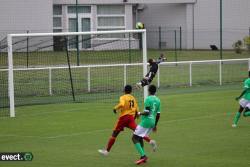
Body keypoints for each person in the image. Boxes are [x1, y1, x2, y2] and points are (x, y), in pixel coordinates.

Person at [98, 85, 156, 156]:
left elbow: (122, 104)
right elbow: (136, 109)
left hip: (123, 118)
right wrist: (136, 116)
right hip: (131, 118)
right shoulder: (133, 98)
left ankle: (106, 151)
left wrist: (115, 108)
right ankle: (150, 141)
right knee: (138, 132)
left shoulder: (123, 97)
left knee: (114, 134)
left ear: (124, 90)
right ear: (131, 91)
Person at [132, 85, 161, 165]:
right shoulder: (158, 100)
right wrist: (155, 125)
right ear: (155, 91)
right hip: (152, 122)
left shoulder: (148, 99)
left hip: (146, 121)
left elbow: (147, 112)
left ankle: (143, 156)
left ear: (148, 91)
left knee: (134, 138)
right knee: (140, 137)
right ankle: (143, 157)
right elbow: (158, 114)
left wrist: (139, 113)